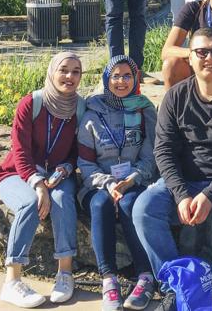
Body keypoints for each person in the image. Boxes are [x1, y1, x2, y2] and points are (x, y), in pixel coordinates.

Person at [133, 28, 212, 311]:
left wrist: (210, 195)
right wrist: (180, 194)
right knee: (143, 208)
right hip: (184, 181)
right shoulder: (176, 97)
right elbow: (163, 151)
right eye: (201, 52)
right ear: (190, 58)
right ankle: (174, 285)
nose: (209, 58)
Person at [0, 52, 84, 308]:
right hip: (17, 173)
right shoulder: (30, 103)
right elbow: (20, 151)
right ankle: (12, 281)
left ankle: (64, 274)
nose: (69, 76)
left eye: (76, 71)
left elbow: (79, 150)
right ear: (52, 72)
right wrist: (37, 184)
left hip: (58, 174)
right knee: (29, 204)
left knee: (63, 199)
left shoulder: (79, 107)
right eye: (64, 70)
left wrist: (65, 169)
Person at [77, 55, 157, 311]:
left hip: (135, 180)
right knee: (100, 205)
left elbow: (151, 156)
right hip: (98, 184)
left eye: (127, 76)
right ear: (106, 79)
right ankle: (108, 279)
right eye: (116, 76)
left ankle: (145, 276)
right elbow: (86, 164)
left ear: (135, 79)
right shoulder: (92, 114)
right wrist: (110, 183)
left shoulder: (144, 110)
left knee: (130, 205)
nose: (121, 81)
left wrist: (132, 178)